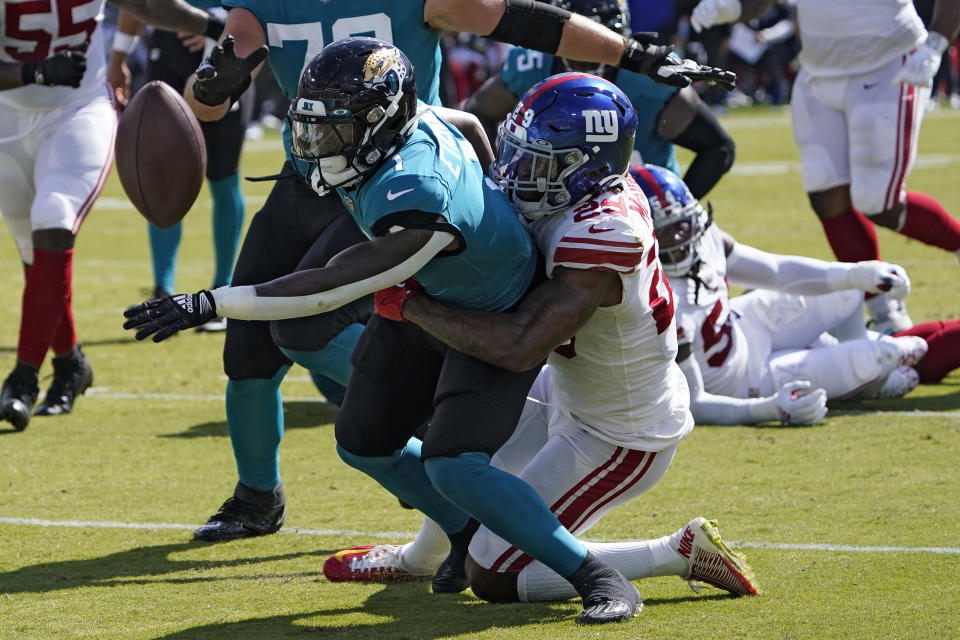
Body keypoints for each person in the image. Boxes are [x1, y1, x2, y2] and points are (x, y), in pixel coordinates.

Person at [125, 40, 660, 625]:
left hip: (486, 313)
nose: (317, 144)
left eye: (335, 129)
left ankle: (596, 576)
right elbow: (464, 122)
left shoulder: (419, 194)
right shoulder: (419, 120)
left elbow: (327, 289)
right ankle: (462, 534)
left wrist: (213, 300)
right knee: (362, 442)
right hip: (427, 294)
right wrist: (483, 184)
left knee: (454, 463)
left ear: (379, 123)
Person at [166, 0, 736, 543]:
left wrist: (635, 54)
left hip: (403, 185)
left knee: (303, 328)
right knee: (246, 351)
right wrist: (209, 88)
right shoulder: (264, 5)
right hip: (309, 175)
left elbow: (523, 22)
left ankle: (434, 420)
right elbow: (208, 100)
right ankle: (257, 496)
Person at [322, 72, 759, 606]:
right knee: (455, 458)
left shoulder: (602, 232)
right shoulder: (569, 198)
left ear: (588, 169)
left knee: (494, 575)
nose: (517, 171)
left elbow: (519, 344)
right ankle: (420, 557)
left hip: (617, 429)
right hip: (564, 389)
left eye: (539, 162)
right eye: (518, 152)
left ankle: (676, 550)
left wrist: (411, 303)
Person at [0, 0, 230, 431]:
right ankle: (70, 363)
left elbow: (144, 4)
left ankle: (23, 378)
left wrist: (215, 23)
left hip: (78, 109)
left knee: (55, 217)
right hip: (7, 122)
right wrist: (34, 72)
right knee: (36, 258)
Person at [689, 0, 960, 332]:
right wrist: (731, 7)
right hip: (818, 74)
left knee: (879, 202)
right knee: (826, 195)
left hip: (888, 64)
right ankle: (882, 306)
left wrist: (936, 43)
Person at [629, 164, 930, 427]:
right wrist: (766, 408)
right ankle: (866, 366)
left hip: (745, 324)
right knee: (885, 356)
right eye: (663, 232)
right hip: (747, 382)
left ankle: (862, 371)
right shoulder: (656, 299)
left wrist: (859, 273)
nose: (679, 240)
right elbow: (692, 403)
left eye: (681, 225)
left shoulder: (707, 236)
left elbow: (776, 272)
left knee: (847, 288)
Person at [466, 0, 737, 199]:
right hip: (552, 205)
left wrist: (673, 207)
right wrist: (494, 187)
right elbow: (479, 114)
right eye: (576, 42)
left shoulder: (646, 82)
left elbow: (719, 148)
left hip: (637, 208)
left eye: (594, 43)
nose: (584, 57)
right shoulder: (531, 66)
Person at [108, 3, 251, 331]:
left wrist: (213, 24)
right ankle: (163, 289)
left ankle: (223, 291)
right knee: (160, 179)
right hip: (168, 59)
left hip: (224, 56)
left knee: (224, 178)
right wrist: (118, 58)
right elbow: (138, 4)